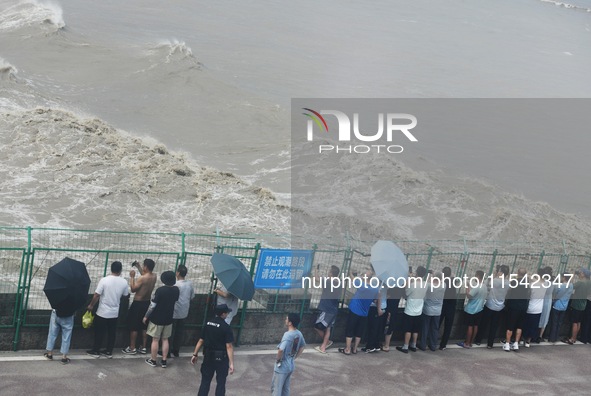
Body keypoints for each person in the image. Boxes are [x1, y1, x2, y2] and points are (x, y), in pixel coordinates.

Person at [86, 261, 129, 358]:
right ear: (120, 270)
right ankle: (109, 351)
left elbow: (97, 295)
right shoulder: (124, 282)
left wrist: (91, 305)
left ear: (111, 269)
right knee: (111, 333)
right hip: (114, 312)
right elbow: (125, 296)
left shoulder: (104, 280)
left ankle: (96, 350)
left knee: (99, 331)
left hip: (102, 311)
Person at [191, 304, 235, 396]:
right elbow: (229, 346)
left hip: (208, 356)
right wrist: (231, 363)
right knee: (221, 383)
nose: (227, 314)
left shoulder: (208, 324)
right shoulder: (226, 327)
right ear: (223, 314)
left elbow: (201, 340)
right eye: (226, 313)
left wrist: (195, 354)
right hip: (221, 358)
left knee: (205, 381)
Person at [338, 267, 381, 355]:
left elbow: (352, 278)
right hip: (364, 312)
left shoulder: (360, 284)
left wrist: (351, 273)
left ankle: (347, 349)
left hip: (354, 310)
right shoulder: (375, 289)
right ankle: (355, 349)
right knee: (359, 331)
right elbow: (375, 300)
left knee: (350, 329)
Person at [143, 270, 180, 368]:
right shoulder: (176, 290)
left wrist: (146, 316)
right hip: (169, 318)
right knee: (165, 339)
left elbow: (152, 306)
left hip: (157, 318)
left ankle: (153, 360)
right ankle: (164, 361)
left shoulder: (160, 290)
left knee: (155, 340)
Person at [122, 258, 157, 355]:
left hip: (137, 304)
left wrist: (132, 277)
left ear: (146, 266)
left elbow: (133, 289)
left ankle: (132, 348)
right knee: (144, 326)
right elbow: (145, 276)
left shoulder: (142, 278)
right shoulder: (154, 276)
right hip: (147, 303)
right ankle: (144, 347)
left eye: (143, 265)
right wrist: (138, 266)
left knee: (134, 326)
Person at [474, 265, 510, 349]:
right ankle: (490, 343)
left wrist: (493, 275)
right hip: (500, 307)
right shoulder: (508, 283)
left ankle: (478, 340)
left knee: (484, 324)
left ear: (500, 272)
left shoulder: (494, 280)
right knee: (494, 326)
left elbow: (486, 284)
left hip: (490, 305)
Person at [271, 313, 306, 396]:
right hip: (291, 364)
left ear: (290, 323)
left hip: (282, 366)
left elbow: (281, 349)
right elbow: (302, 346)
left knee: (276, 389)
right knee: (285, 389)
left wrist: (278, 360)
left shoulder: (287, 335)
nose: (285, 320)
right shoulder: (299, 334)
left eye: (287, 319)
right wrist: (294, 357)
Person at [396, 266, 428, 354]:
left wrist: (407, 282)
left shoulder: (413, 285)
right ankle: (413, 345)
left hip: (410, 309)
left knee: (408, 329)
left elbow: (406, 293)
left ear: (417, 273)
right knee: (415, 330)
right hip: (419, 309)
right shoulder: (425, 284)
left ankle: (405, 346)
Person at [313, 265, 342, 354]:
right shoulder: (339, 283)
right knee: (328, 328)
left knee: (317, 327)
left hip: (326, 309)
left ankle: (325, 345)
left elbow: (316, 279)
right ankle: (324, 346)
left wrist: (316, 270)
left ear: (330, 273)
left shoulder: (328, 281)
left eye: (329, 271)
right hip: (333, 309)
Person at [457, 270, 487, 349]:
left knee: (470, 326)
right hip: (479, 309)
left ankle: (466, 343)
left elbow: (469, 295)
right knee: (475, 326)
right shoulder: (484, 286)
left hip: (471, 310)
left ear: (478, 276)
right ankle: (471, 342)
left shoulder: (477, 287)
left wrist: (467, 286)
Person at [170, 265, 195, 357]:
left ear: (178, 273)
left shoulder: (175, 285)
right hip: (184, 311)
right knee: (179, 332)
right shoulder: (189, 284)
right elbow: (192, 297)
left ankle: (167, 351)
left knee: (170, 333)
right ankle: (176, 350)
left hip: (174, 311)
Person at [562, 268, 590, 345]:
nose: (579, 274)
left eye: (580, 273)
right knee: (579, 322)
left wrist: (573, 275)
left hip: (576, 304)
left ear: (583, 274)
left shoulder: (580, 282)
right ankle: (575, 337)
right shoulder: (589, 282)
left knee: (574, 322)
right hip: (583, 304)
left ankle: (572, 339)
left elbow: (569, 286)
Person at [504, 268, 530, 352]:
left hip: (514, 306)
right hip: (523, 306)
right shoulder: (527, 283)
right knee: (519, 326)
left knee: (510, 326)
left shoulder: (514, 282)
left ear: (518, 273)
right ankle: (516, 343)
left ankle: (507, 344)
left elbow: (509, 292)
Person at [419, 271, 445, 352]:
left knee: (425, 327)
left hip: (428, 309)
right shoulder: (444, 286)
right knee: (435, 328)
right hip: (438, 311)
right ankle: (433, 345)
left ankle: (423, 344)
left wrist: (430, 277)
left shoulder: (429, 285)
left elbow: (424, 286)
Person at [523, 267, 549, 347]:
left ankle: (523, 338)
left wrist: (528, 274)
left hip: (531, 307)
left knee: (526, 324)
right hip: (539, 308)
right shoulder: (546, 283)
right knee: (534, 325)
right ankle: (528, 341)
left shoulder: (533, 284)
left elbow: (531, 281)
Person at [548, 273, 574, 343]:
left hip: (557, 305)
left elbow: (556, 294)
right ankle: (556, 337)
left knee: (554, 322)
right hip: (564, 306)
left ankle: (552, 338)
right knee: (559, 323)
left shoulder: (561, 286)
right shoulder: (571, 285)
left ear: (564, 278)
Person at [438, 267, 458, 351]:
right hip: (451, 306)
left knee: (437, 324)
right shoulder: (453, 280)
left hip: (443, 305)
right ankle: (443, 345)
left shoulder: (443, 282)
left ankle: (432, 341)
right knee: (448, 326)